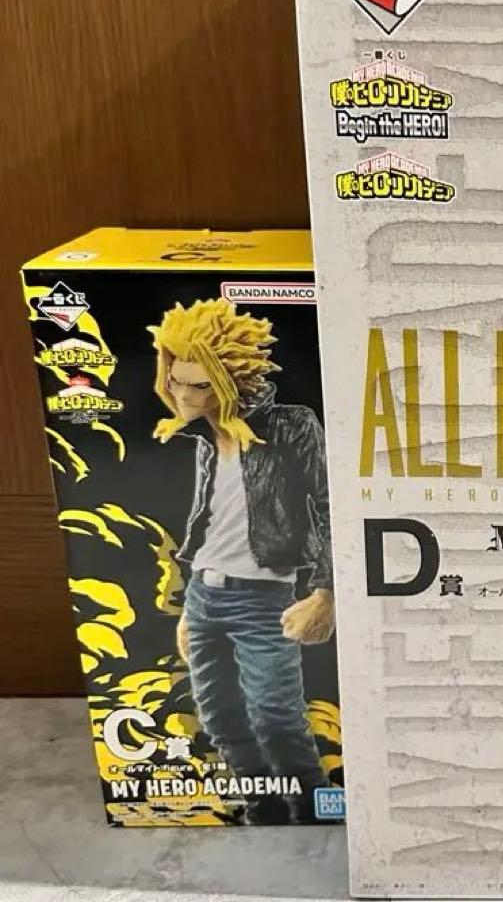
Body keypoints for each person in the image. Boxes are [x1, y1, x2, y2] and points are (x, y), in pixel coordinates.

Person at [148, 298, 336, 825]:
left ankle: (316, 813)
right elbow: (209, 522)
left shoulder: (291, 426)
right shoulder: (205, 437)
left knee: (277, 720)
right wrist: (189, 606)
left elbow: (330, 505)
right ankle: (264, 808)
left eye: (199, 384)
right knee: (219, 718)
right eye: (176, 380)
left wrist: (326, 592)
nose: (183, 394)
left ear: (230, 381)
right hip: (204, 596)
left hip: (264, 600)